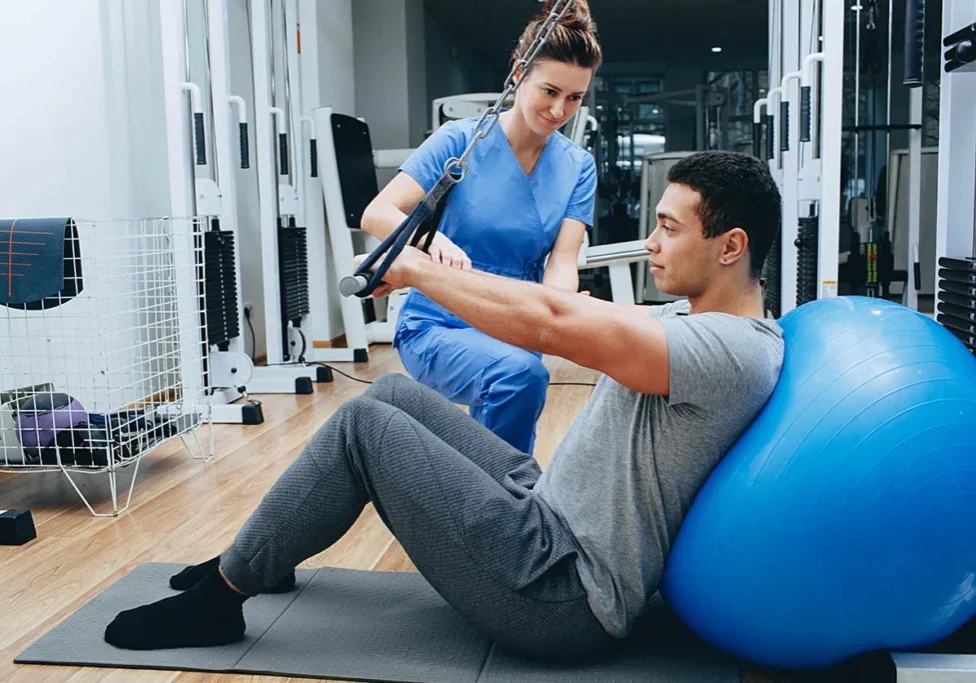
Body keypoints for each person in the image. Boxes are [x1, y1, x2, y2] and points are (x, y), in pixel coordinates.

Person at [104, 151, 785, 662]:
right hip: (547, 507)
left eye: (668, 228)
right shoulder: (704, 325)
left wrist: (415, 269)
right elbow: (566, 308)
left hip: (563, 588)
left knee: (366, 425)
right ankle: (265, 551)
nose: (652, 242)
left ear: (731, 246)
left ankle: (223, 598)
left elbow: (552, 322)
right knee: (396, 391)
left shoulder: (727, 349)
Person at [359, 0, 602, 455]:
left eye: (575, 98)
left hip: (518, 319)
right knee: (517, 376)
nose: (559, 110)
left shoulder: (578, 166)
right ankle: (503, 504)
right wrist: (432, 240)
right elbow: (377, 213)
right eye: (549, 91)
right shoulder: (460, 141)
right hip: (440, 320)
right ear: (518, 76)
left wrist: (561, 307)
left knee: (518, 373)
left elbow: (563, 260)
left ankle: (495, 502)